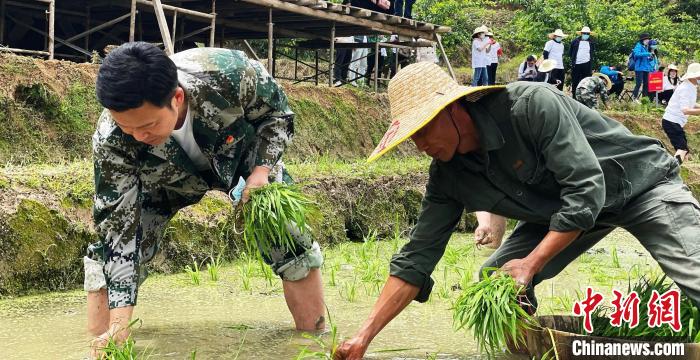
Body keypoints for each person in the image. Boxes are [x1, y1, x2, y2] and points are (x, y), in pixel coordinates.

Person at [333, 62, 700, 359]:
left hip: (640, 186)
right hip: (564, 213)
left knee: (695, 270)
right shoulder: (448, 176)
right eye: (411, 136)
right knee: (497, 282)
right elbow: (416, 259)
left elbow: (586, 190)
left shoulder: (531, 105)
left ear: (453, 110)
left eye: (422, 130)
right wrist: (363, 337)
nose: (419, 145)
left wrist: (531, 262)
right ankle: (527, 353)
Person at [85, 43, 326, 356]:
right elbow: (118, 232)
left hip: (241, 157)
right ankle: (105, 346)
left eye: (147, 125)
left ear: (177, 98)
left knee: (288, 233)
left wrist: (261, 171)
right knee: (107, 256)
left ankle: (314, 341)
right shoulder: (111, 140)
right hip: (160, 183)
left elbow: (277, 115)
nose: (137, 136)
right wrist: (119, 323)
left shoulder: (227, 73)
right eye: (125, 127)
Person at [661, 62, 700, 164]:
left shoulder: (691, 86)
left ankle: (683, 167)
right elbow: (685, 110)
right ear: (694, 76)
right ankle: (672, 169)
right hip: (671, 121)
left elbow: (690, 103)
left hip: (675, 122)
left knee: (684, 150)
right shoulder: (686, 88)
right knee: (682, 149)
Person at [569, 26, 595, 99]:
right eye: (584, 33)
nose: (586, 35)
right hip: (576, 64)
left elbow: (592, 53)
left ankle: (585, 97)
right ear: (581, 33)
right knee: (575, 81)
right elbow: (570, 53)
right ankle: (574, 97)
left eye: (587, 33)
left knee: (586, 81)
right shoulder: (575, 41)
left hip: (587, 64)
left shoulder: (591, 42)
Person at [631, 33, 654, 100]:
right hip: (639, 68)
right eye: (647, 39)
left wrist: (650, 57)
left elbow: (646, 58)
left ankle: (644, 99)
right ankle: (634, 98)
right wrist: (648, 53)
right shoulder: (638, 45)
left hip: (646, 69)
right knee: (638, 84)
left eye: (648, 39)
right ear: (643, 40)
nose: (648, 41)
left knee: (646, 84)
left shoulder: (645, 47)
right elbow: (637, 54)